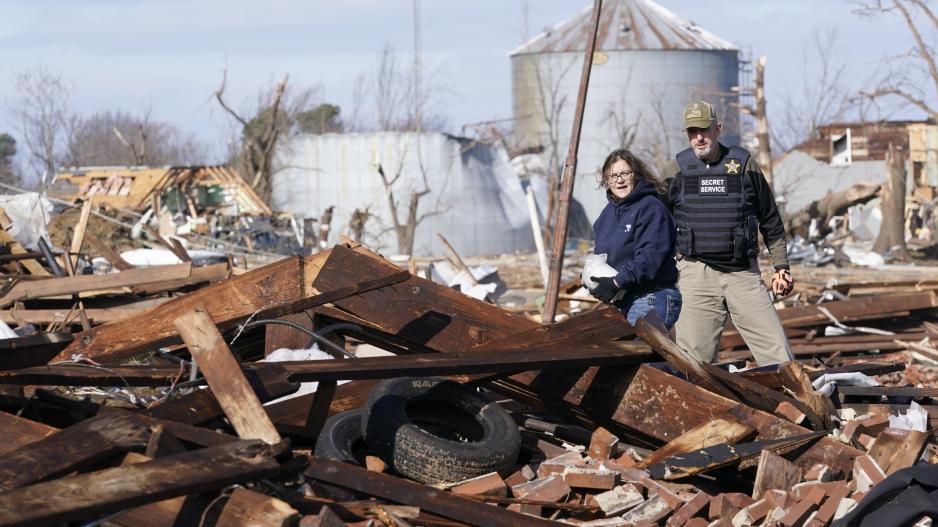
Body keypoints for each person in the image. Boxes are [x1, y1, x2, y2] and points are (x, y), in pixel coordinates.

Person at [663, 100, 794, 366]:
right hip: (696, 275)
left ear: (718, 128)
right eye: (692, 132)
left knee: (778, 355)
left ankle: (796, 406)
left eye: (704, 130)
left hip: (742, 274)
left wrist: (781, 266)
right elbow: (653, 218)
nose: (699, 138)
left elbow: (770, 220)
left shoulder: (743, 164)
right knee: (691, 365)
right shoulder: (676, 169)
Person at [589, 148, 682, 328]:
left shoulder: (651, 208)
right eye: (613, 176)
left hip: (652, 296)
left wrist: (616, 282)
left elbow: (649, 258)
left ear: (636, 174)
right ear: (606, 180)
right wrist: (591, 277)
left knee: (636, 352)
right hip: (623, 299)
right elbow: (601, 256)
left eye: (625, 173)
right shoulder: (606, 215)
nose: (619, 180)